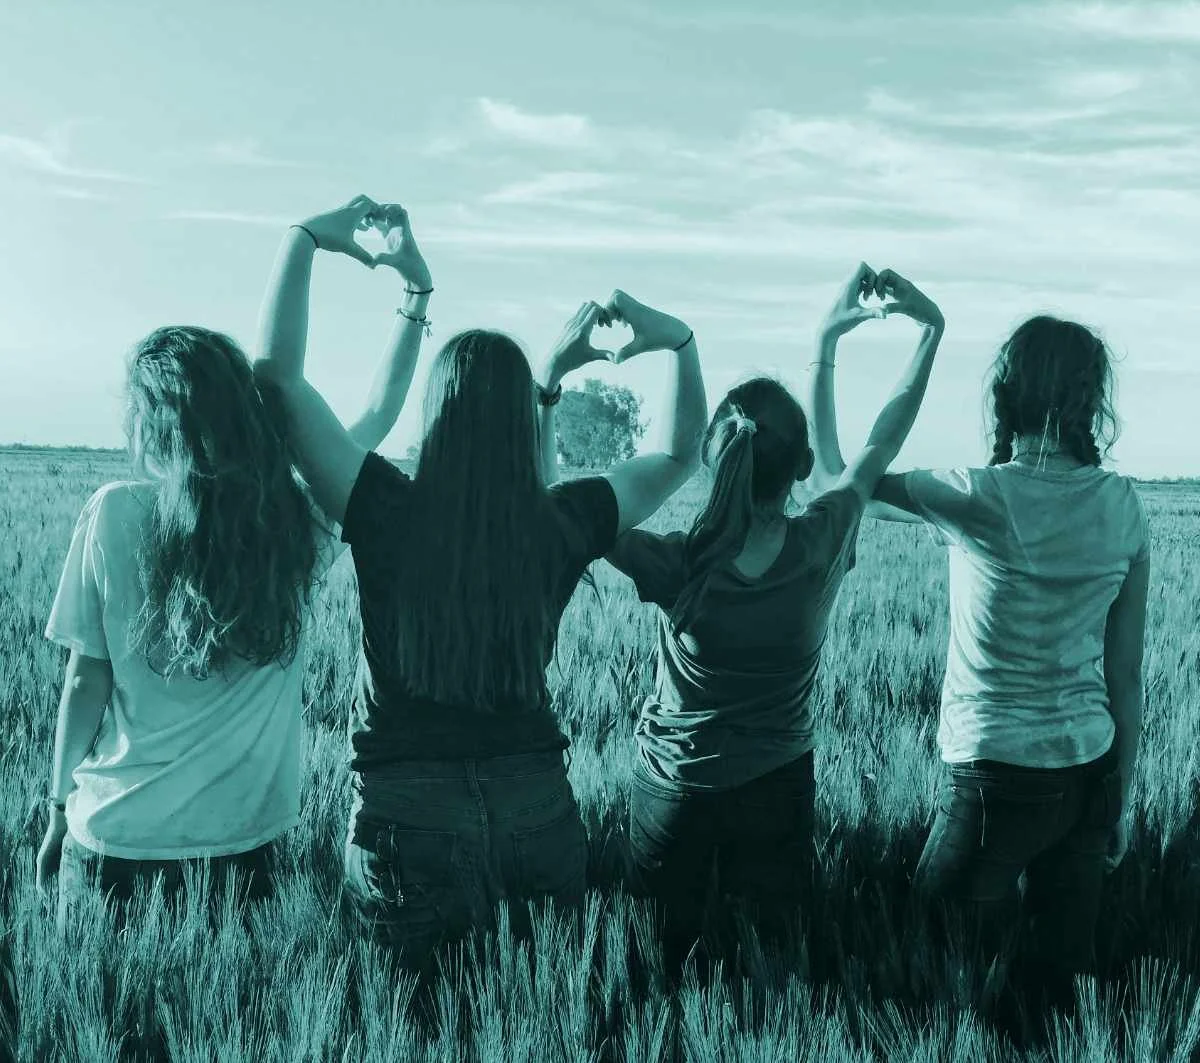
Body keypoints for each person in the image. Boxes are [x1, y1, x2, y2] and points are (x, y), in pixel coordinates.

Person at [252, 195, 708, 969]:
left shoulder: (383, 506)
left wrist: (306, 238)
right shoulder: (560, 520)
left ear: (436, 414)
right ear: (518, 421)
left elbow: (276, 380)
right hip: (538, 807)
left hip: (405, 816)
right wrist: (679, 343)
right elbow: (678, 453)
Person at [35, 205, 436, 930]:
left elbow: (84, 679)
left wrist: (60, 804)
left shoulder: (113, 513)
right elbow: (376, 412)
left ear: (147, 426)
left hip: (114, 841)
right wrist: (415, 296)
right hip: (244, 852)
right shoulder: (297, 523)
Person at [600, 263, 944, 970]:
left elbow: (574, 515)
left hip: (675, 791)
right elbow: (879, 444)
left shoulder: (679, 560)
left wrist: (551, 387)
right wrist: (917, 333)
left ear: (713, 459)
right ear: (802, 462)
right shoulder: (823, 539)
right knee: (775, 971)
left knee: (655, 972)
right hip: (778, 791)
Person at [842, 301, 1146, 1000]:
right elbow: (1125, 674)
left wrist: (841, 345)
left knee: (935, 962)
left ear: (1007, 393)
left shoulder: (976, 494)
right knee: (1060, 990)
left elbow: (842, 480)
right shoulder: (1124, 504)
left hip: (993, 778)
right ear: (1089, 400)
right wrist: (1119, 799)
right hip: (1089, 773)